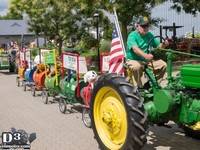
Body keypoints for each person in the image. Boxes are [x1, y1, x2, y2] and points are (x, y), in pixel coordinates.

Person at [126, 16, 168, 87]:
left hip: (146, 61)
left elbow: (158, 46)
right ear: (137, 26)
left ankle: (153, 85)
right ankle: (138, 88)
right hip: (133, 60)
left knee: (163, 65)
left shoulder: (149, 35)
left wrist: (164, 44)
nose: (145, 28)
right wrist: (146, 56)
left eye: (147, 26)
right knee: (137, 67)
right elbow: (135, 49)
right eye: (143, 26)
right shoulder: (132, 36)